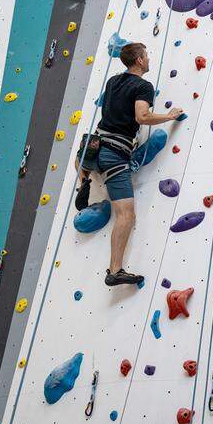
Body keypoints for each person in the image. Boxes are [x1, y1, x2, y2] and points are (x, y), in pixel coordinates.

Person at [75, 42, 182, 286]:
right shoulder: (143, 86)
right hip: (115, 154)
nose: (149, 59)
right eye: (146, 55)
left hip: (94, 145)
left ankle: (85, 178)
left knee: (86, 162)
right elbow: (141, 116)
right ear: (139, 61)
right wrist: (169, 116)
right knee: (126, 215)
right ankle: (115, 270)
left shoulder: (113, 81)